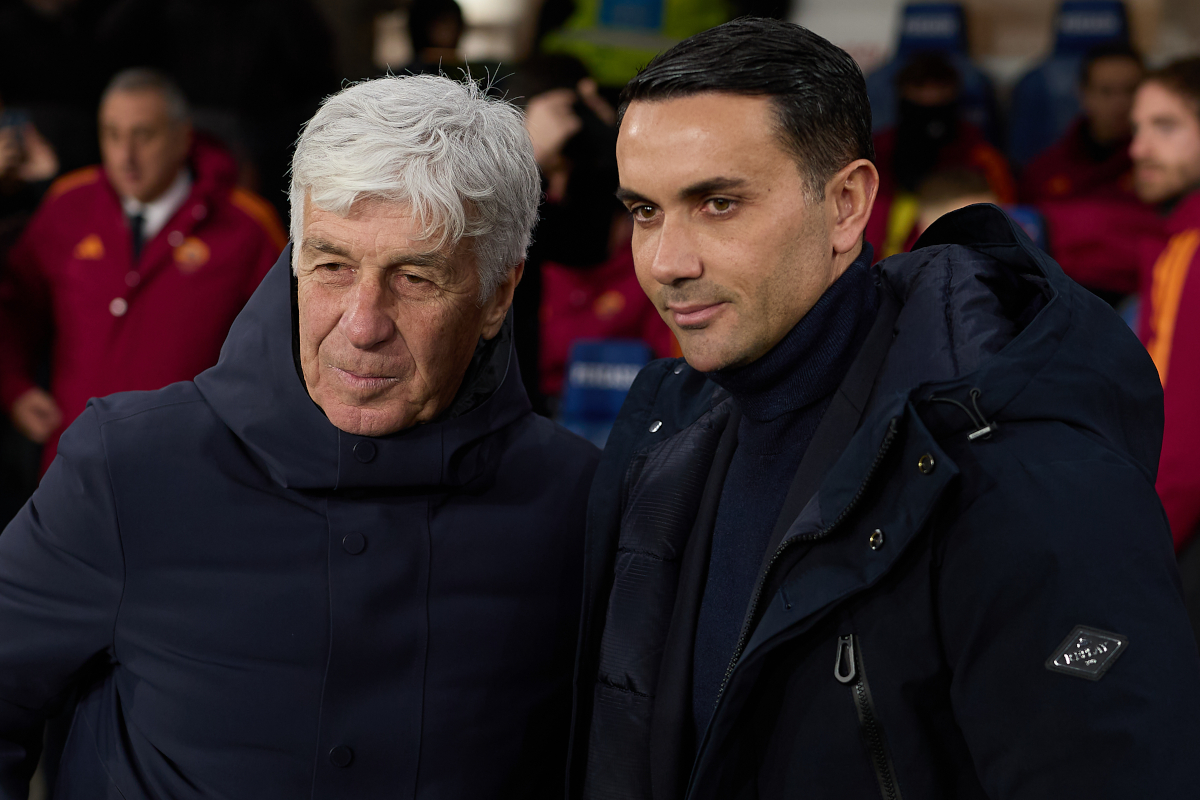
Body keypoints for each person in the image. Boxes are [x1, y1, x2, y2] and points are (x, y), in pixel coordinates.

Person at [568, 18, 1200, 800]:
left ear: (846, 204)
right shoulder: (666, 445)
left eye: (719, 204)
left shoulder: (1025, 474)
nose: (667, 261)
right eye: (645, 211)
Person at [0, 74, 599, 798]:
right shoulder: (124, 467)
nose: (362, 324)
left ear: (499, 293)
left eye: (415, 277)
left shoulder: (580, 505)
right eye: (332, 266)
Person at [0, 68, 286, 474]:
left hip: (195, 474)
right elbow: (13, 306)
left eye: (143, 135)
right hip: (74, 472)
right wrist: (15, 388)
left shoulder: (247, 227)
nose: (125, 156)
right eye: (112, 135)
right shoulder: (66, 207)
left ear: (182, 137)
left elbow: (285, 346)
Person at [1129, 57, 1200, 634]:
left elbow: (1180, 437)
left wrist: (1136, 557)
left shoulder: (1192, 251)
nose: (1139, 148)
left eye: (1166, 126)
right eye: (1137, 128)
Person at [865, 51, 1015, 259]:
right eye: (920, 87)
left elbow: (1005, 212)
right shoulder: (877, 150)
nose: (930, 96)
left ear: (954, 91)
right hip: (891, 254)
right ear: (903, 92)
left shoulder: (979, 152)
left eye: (940, 87)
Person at [1020, 42, 1144, 203]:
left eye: (1131, 90)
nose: (1120, 103)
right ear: (1083, 94)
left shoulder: (1156, 166)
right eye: (1106, 92)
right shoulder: (1043, 171)